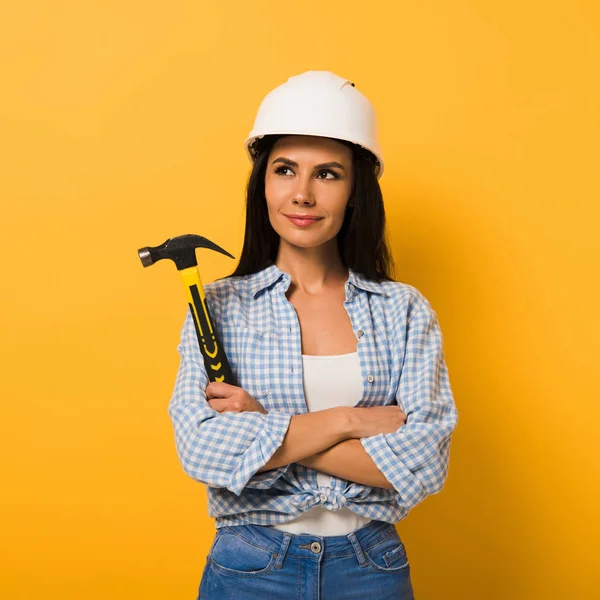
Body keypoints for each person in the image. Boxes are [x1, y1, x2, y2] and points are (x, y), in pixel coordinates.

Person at [168, 70, 458, 600]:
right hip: (249, 568)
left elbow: (423, 462)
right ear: (264, 183)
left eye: (327, 174)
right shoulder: (217, 309)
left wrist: (262, 428)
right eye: (285, 170)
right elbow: (203, 449)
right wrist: (347, 421)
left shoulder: (403, 310)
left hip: (371, 566)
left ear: (355, 191)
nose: (302, 194)